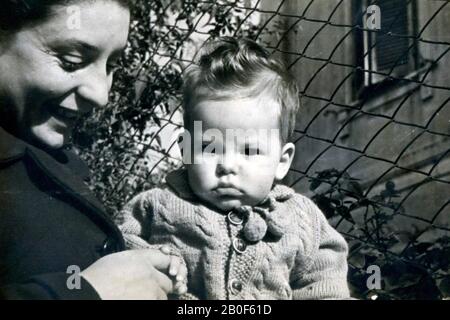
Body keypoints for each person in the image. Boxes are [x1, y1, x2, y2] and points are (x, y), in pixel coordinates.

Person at [117, 37, 351, 299]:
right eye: (210, 148)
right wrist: (157, 262)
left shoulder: (302, 219)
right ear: (185, 150)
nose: (227, 165)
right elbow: (119, 245)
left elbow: (325, 284)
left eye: (249, 151)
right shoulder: (158, 205)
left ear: (282, 161)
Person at [0, 0, 186, 300]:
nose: (101, 95)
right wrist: (88, 291)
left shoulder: (38, 146)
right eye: (71, 61)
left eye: (111, 66)